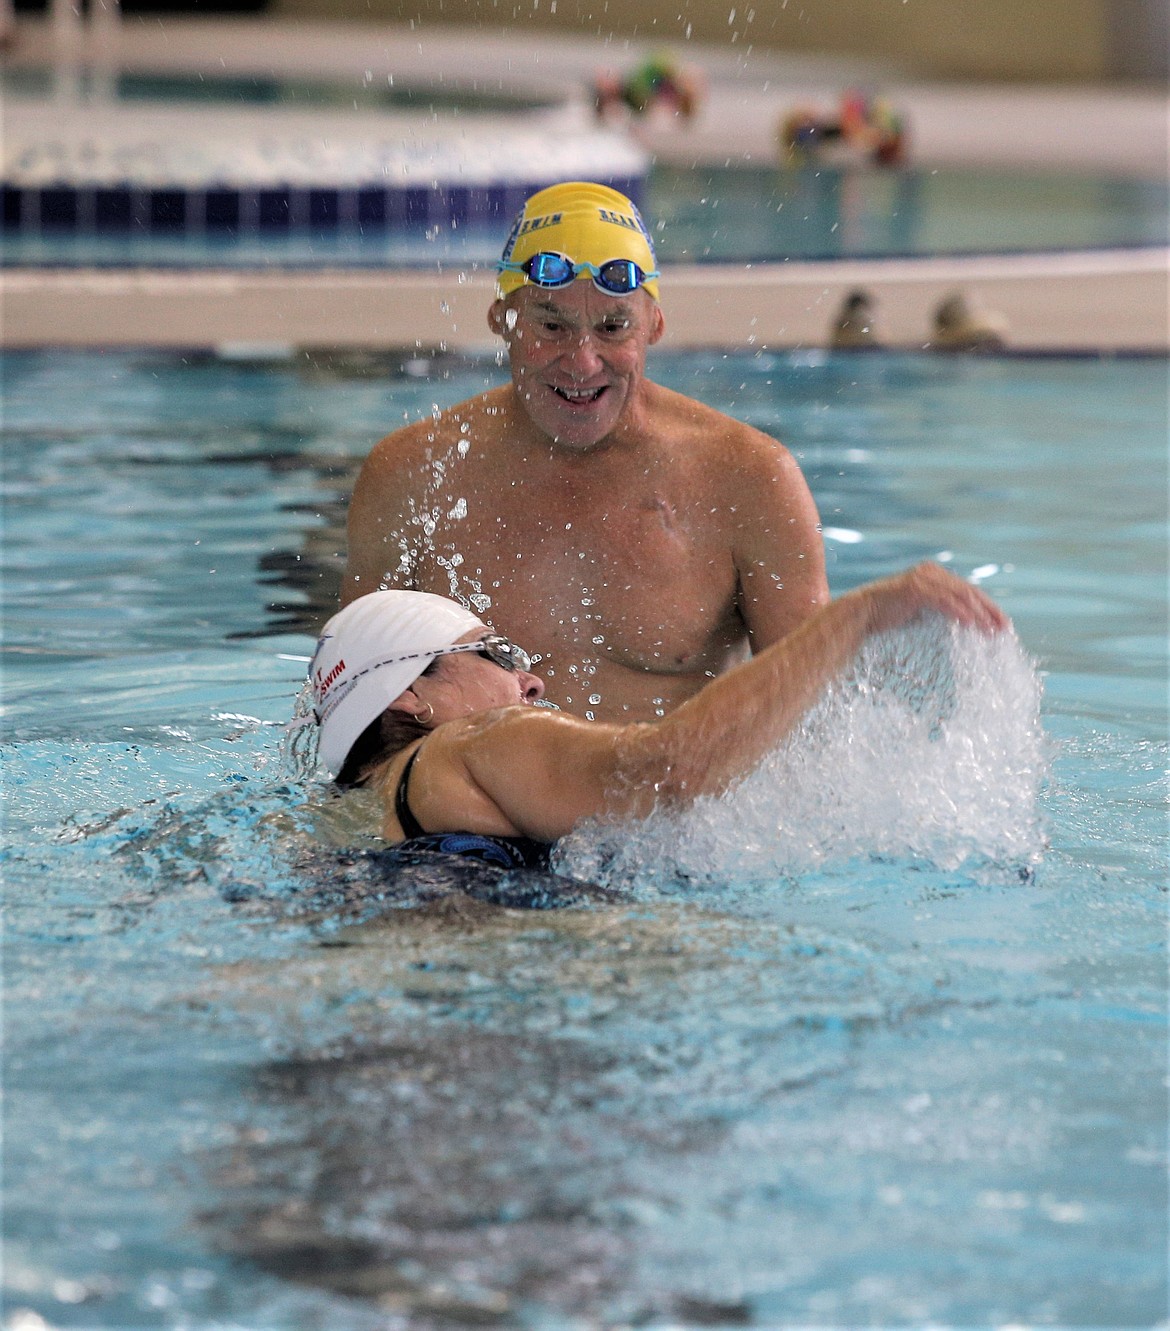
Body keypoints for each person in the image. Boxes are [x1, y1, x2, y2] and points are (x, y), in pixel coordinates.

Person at [342, 180, 830, 724]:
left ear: (654, 326)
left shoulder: (749, 479)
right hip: (472, 807)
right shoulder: (413, 474)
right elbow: (350, 709)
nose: (582, 361)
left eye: (613, 327)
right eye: (551, 325)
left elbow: (815, 718)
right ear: (502, 319)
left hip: (672, 805)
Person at [309, 563, 1009, 868]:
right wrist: (857, 617)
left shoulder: (349, 816)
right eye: (493, 653)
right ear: (409, 693)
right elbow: (672, 767)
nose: (530, 676)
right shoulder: (471, 744)